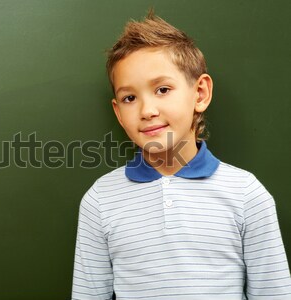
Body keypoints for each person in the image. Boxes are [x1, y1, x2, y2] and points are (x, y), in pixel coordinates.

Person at [72, 9, 291, 300]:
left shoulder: (247, 194)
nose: (147, 110)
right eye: (130, 98)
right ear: (118, 113)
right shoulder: (100, 200)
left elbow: (273, 293)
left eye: (162, 89)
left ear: (199, 94)